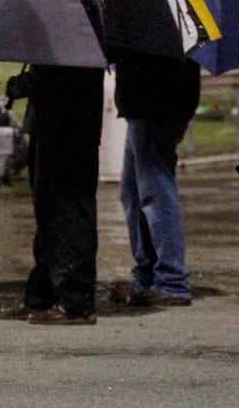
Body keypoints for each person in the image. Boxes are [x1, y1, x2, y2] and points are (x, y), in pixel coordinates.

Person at [12, 62, 105, 325]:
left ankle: (75, 299)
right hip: (51, 123)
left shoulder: (76, 35)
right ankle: (44, 291)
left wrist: (27, 84)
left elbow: (63, 77)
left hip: (67, 125)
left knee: (69, 210)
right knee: (48, 210)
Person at [108, 50, 197, 308]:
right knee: (133, 190)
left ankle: (171, 280)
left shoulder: (148, 12)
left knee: (154, 190)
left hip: (152, 99)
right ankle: (149, 274)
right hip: (148, 99)